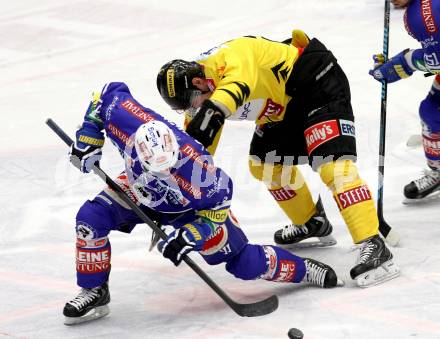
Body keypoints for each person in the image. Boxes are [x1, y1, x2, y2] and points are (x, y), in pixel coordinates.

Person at [63, 82, 341, 325]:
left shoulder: (198, 171)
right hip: (138, 189)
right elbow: (104, 96)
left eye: (167, 168)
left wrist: (190, 236)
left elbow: (216, 212)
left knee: (243, 263)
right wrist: (89, 136)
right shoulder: (128, 120)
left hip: (191, 209)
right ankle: (95, 291)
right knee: (90, 219)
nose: (162, 174)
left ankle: (305, 269)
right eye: (153, 168)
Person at [156, 31, 400, 287]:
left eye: (192, 103)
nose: (192, 110)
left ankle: (373, 243)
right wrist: (171, 187)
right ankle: (312, 221)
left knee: (333, 167)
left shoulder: (230, 59)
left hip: (316, 81)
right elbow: (197, 150)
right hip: (283, 105)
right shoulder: (200, 97)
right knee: (265, 165)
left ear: (199, 82)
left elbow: (232, 91)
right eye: (184, 108)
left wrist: (212, 111)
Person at [370, 0, 440, 201]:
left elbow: (436, 60)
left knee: (432, 110)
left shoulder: (422, 12)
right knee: (432, 109)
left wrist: (402, 64)